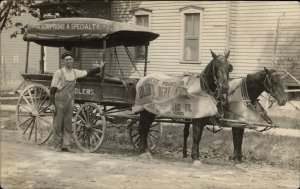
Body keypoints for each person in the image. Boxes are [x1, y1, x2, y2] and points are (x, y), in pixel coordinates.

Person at [49, 51, 105, 152]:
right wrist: (52, 104)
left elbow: (87, 72)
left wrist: (99, 68)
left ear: (73, 60)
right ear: (63, 61)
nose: (69, 61)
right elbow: (52, 89)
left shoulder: (75, 72)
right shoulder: (58, 73)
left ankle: (66, 145)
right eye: (66, 60)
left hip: (70, 101)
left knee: (68, 123)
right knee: (58, 123)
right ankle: (57, 145)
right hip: (60, 100)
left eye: (70, 59)